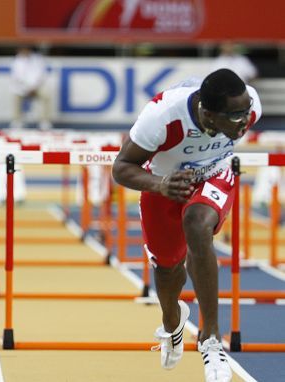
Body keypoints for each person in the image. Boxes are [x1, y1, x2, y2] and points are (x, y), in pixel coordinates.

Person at [112, 69, 261, 382]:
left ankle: (211, 340)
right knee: (166, 269)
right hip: (163, 183)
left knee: (197, 224)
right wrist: (161, 184)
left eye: (246, 112)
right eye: (235, 116)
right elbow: (121, 168)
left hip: (215, 175)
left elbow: (243, 112)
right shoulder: (162, 116)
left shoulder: (249, 105)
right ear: (207, 115)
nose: (244, 122)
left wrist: (239, 115)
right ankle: (172, 321)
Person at [10, 45, 52, 130]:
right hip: (22, 88)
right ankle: (17, 120)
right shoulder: (17, 60)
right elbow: (16, 77)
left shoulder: (38, 59)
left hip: (36, 87)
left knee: (47, 95)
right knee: (16, 95)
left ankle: (44, 121)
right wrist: (26, 88)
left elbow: (42, 75)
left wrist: (34, 87)